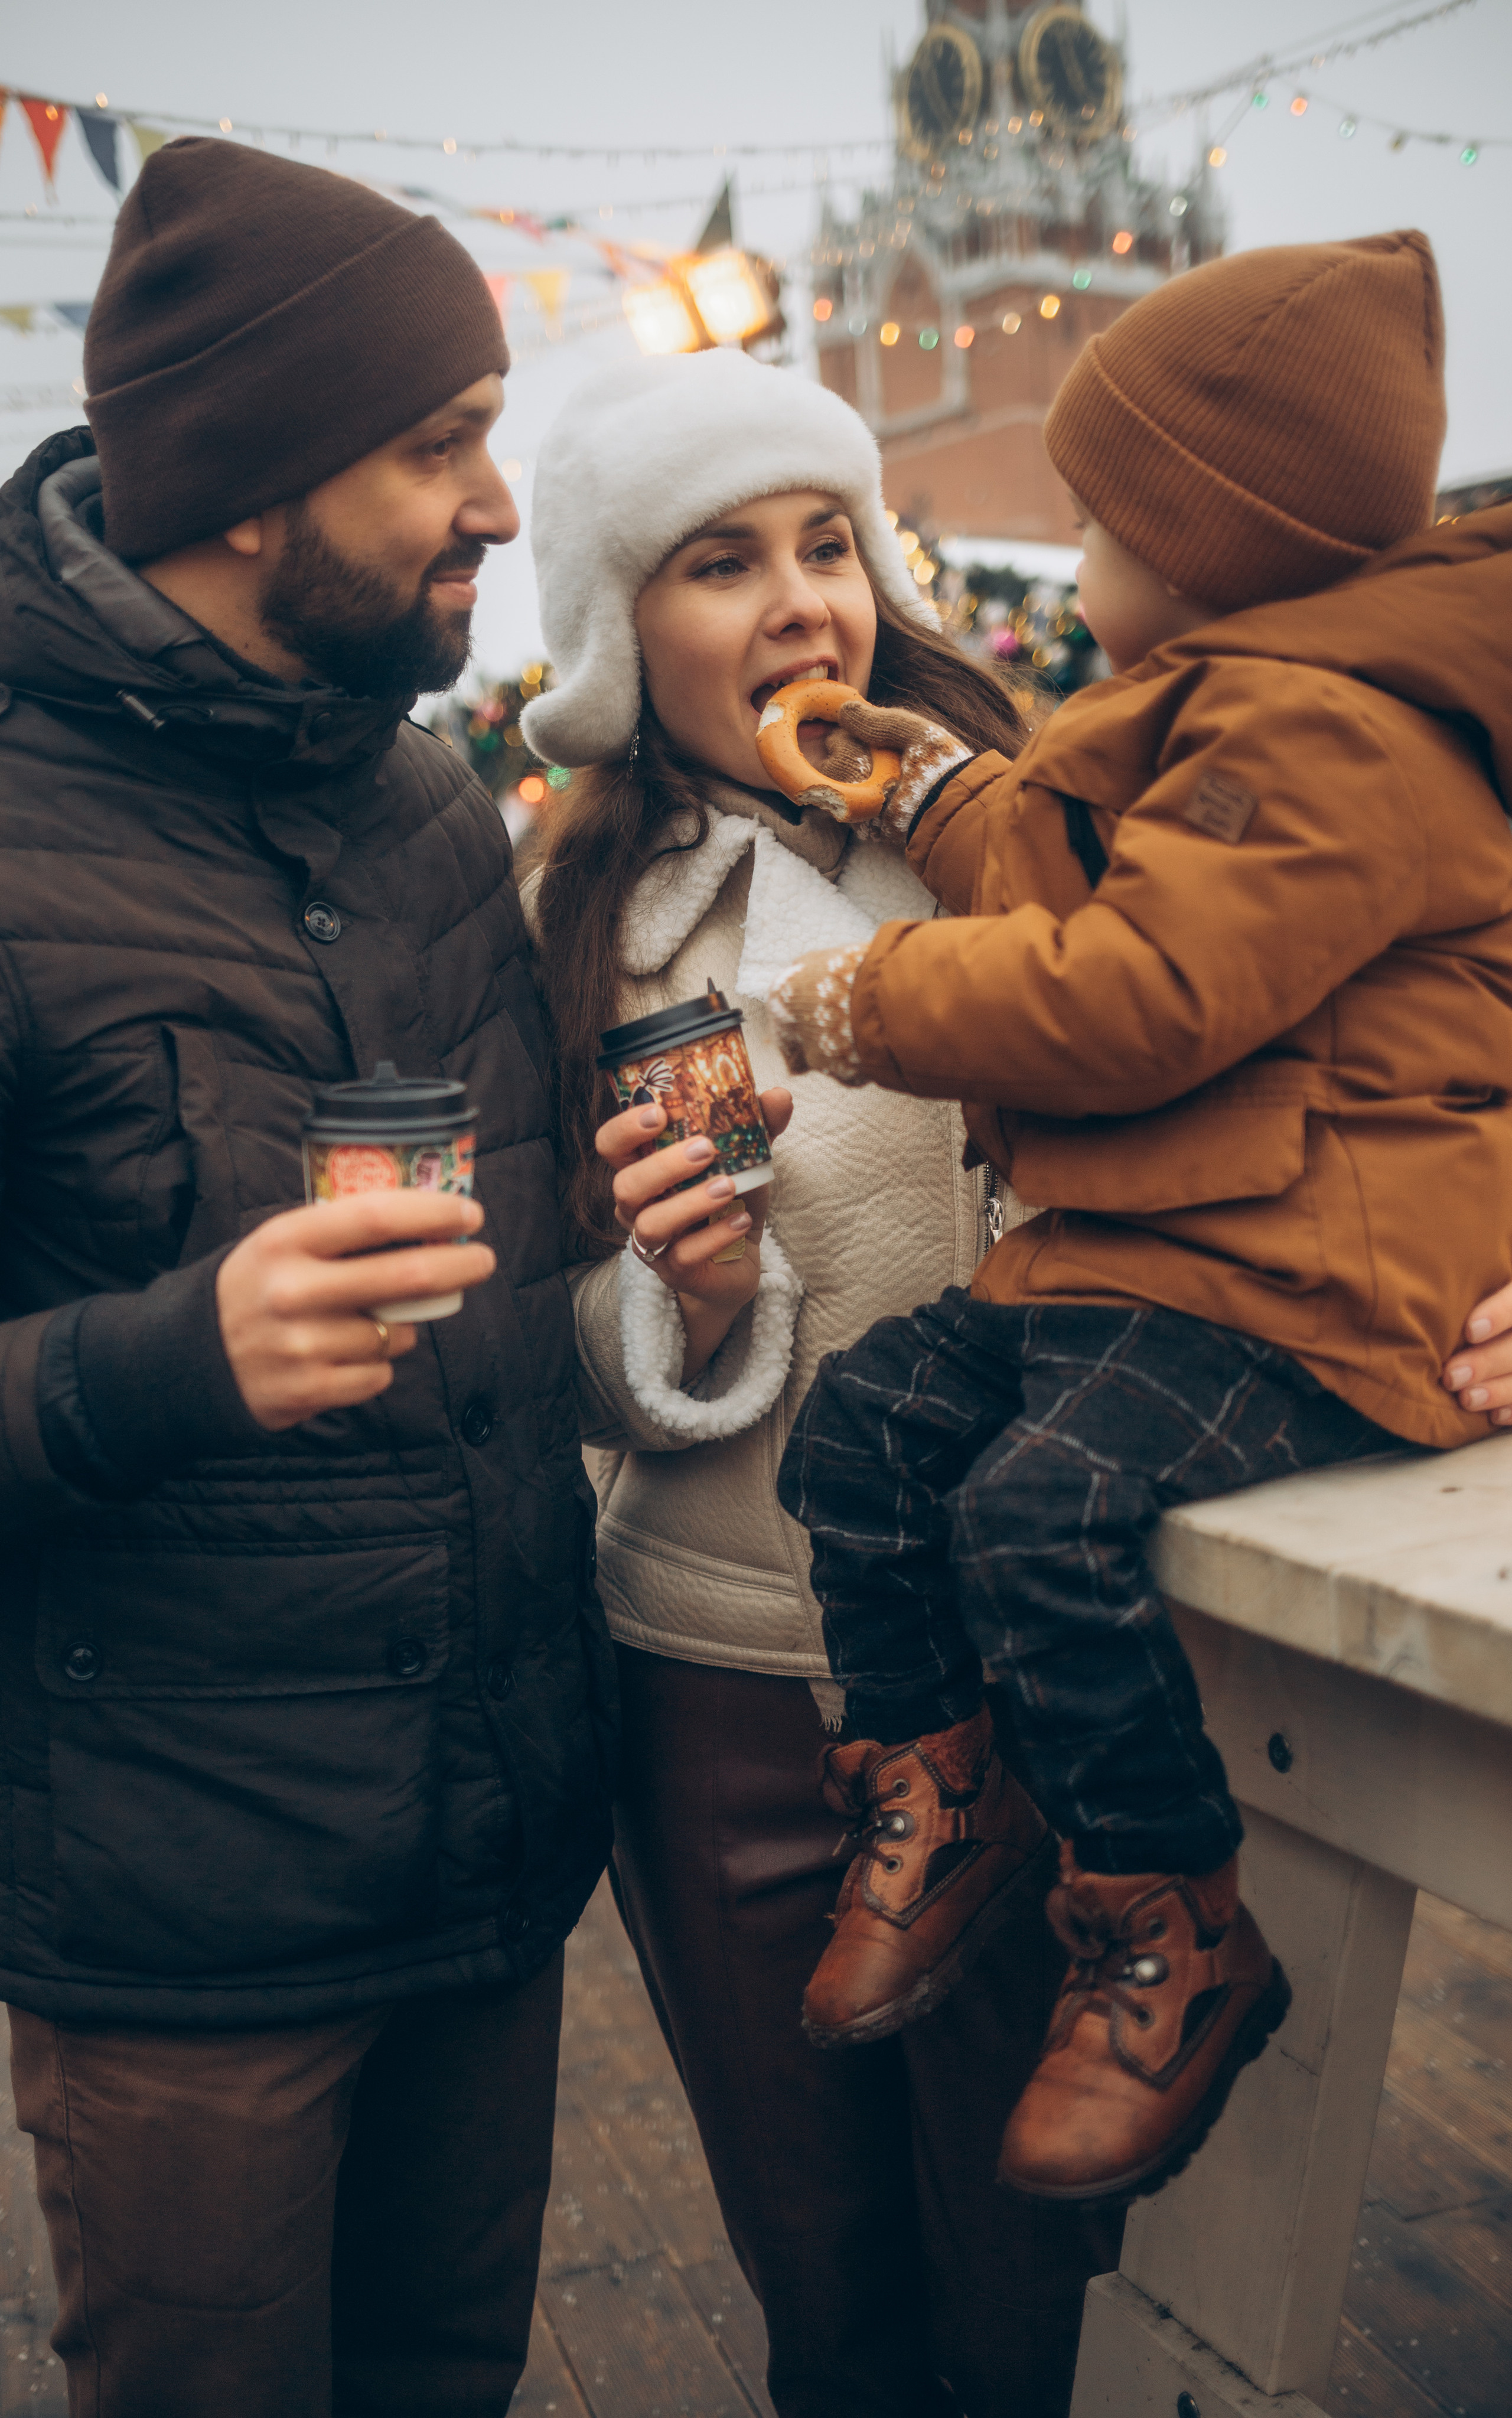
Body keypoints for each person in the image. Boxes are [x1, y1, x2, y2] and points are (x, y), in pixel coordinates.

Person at [767, 230, 1512, 2211]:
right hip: (1137, 1262)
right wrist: (933, 798)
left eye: (1098, 521)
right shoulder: (1235, 708)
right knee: (861, 1427)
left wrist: (867, 1004)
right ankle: (940, 1780)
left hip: (1288, 1280)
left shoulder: (1334, 739)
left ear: (1208, 544)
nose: (1077, 554)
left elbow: (1139, 990)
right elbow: (1082, 853)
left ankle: (1169, 1919)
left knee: (1039, 1511)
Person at [0, 140, 613, 2416]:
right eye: (439, 446)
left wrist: (667, 1251)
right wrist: (169, 1359)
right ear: (252, 486)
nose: (499, 505)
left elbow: (520, 1308)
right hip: (192, 1950)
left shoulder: (442, 810)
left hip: (492, 1873)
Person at [521, 348, 1116, 2418]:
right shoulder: (573, 918)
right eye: (720, 560)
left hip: (1038, 1664)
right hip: (725, 1687)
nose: (802, 602)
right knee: (835, 2309)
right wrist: (674, 1313)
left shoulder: (1046, 829)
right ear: (618, 632)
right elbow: (546, 1330)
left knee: (1030, 2302)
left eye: (827, 541)